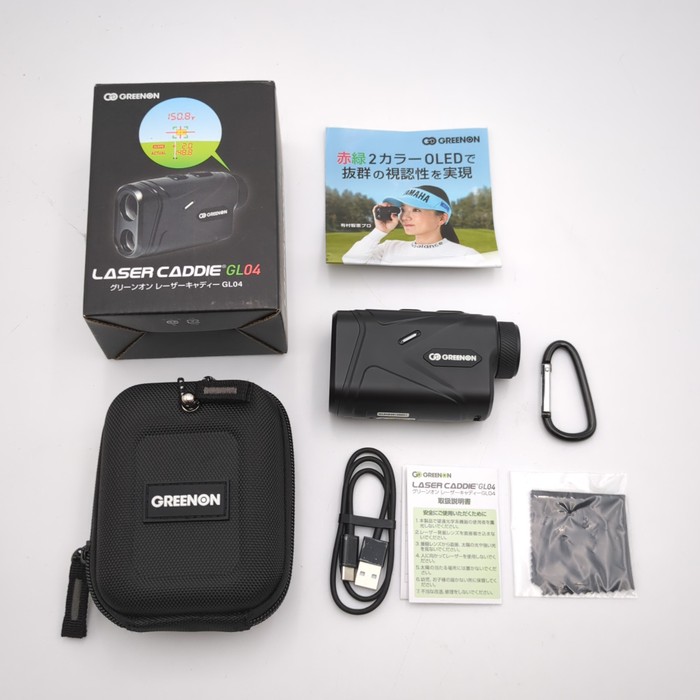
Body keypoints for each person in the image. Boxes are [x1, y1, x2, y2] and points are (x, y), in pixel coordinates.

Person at [341, 185, 486, 266]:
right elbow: (350, 260)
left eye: (416, 210)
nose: (404, 217)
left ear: (442, 218)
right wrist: (379, 231)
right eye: (403, 209)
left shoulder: (466, 256)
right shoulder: (389, 247)